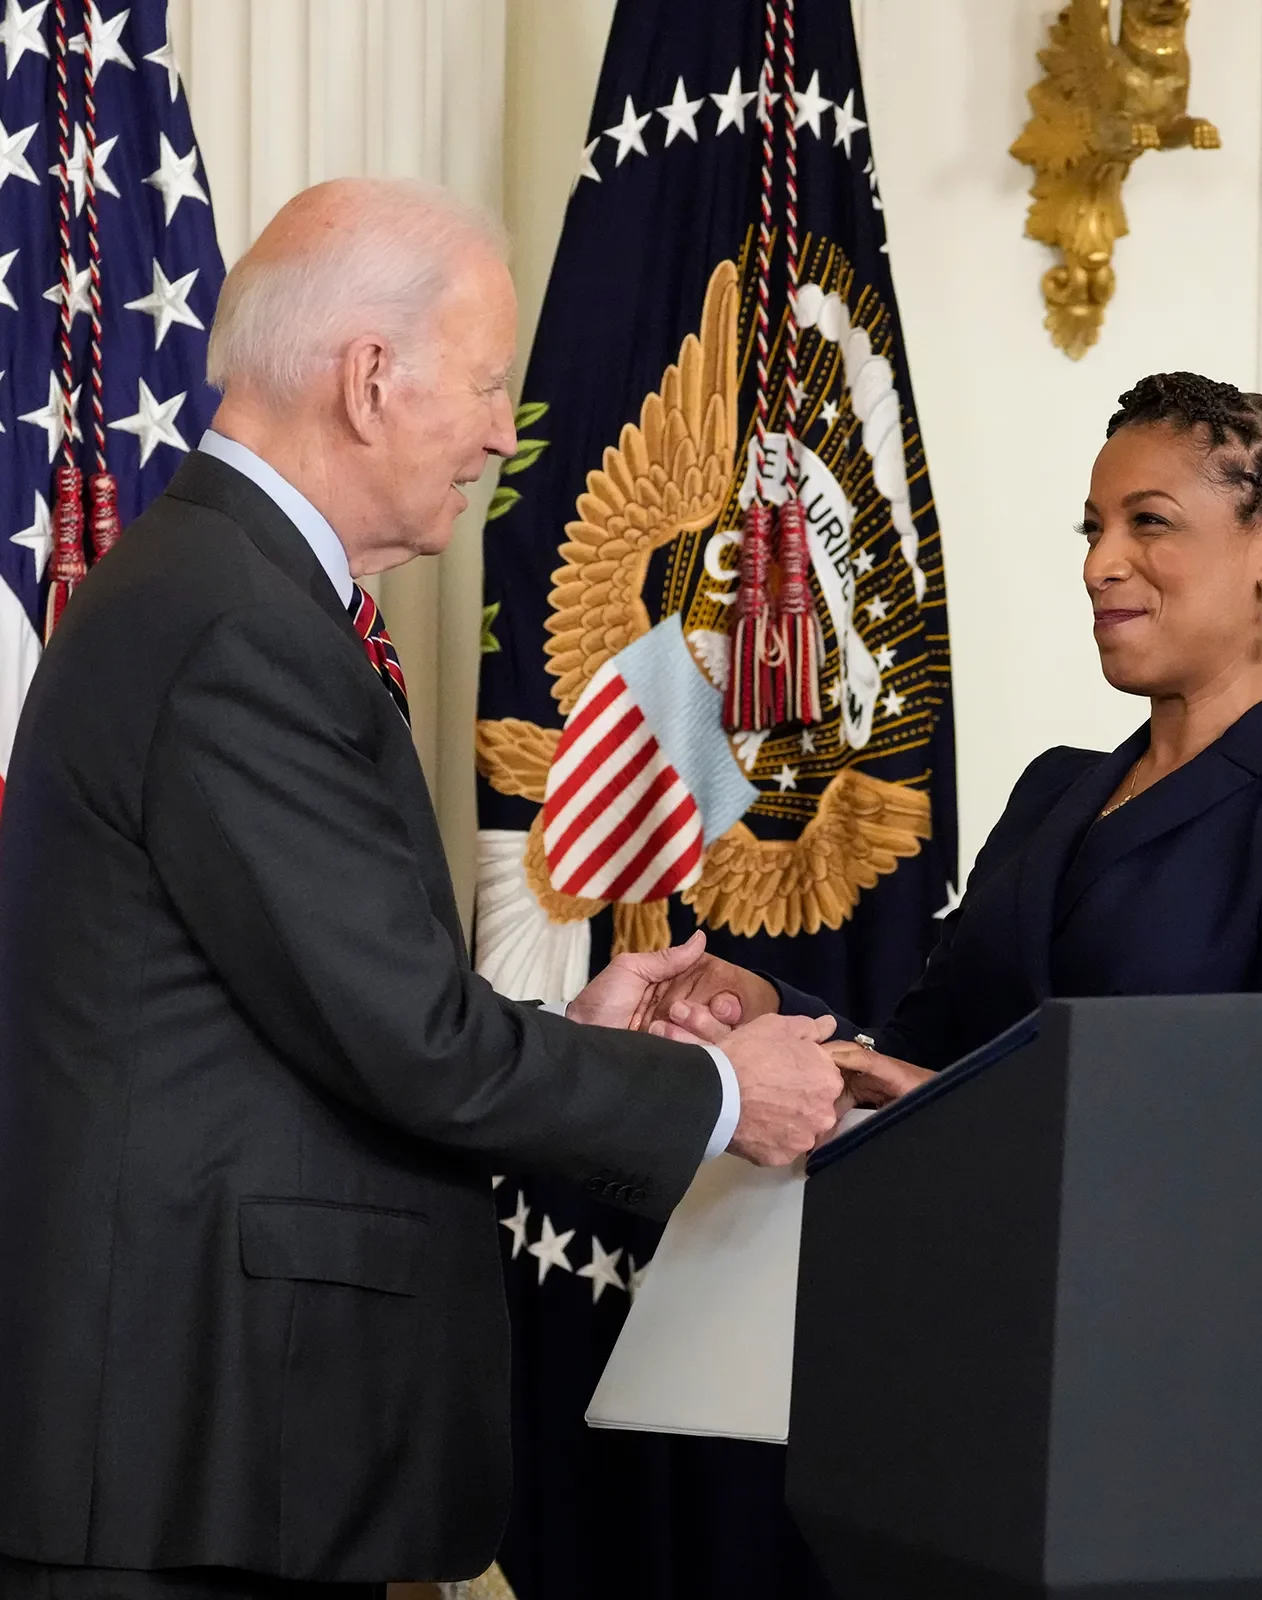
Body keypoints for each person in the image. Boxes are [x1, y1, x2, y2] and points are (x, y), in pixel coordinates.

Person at [0, 179, 845, 1599]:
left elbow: (317, 1015)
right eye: (487, 384)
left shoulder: (228, 591)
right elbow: (409, 1044)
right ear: (371, 379)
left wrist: (583, 1044)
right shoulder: (233, 626)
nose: (503, 433)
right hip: (186, 1465)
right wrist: (716, 1093)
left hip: (218, 1455)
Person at [614, 372, 1262, 1095]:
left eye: (1148, 522)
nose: (1098, 563)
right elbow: (917, 1054)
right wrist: (770, 1010)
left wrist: (970, 1108)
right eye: (1092, 529)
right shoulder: (1054, 789)